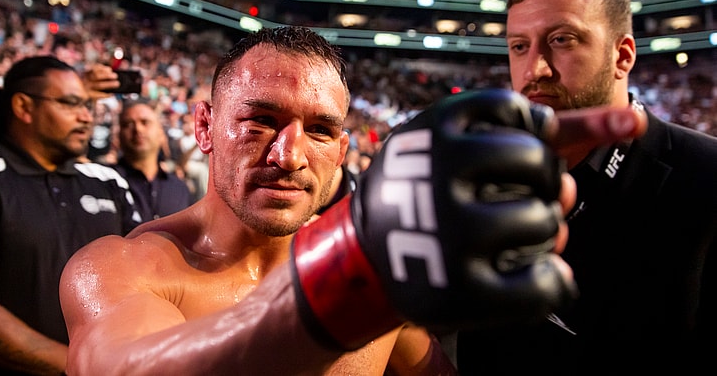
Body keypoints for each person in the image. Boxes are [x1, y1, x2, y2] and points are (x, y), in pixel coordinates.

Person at [59, 26, 647, 375]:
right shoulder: (122, 267)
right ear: (205, 126)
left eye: (318, 131)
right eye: (260, 120)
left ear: (342, 150)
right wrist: (346, 285)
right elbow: (119, 365)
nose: (288, 155)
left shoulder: (390, 263)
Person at [453, 0, 717, 376]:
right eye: (519, 46)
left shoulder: (705, 178)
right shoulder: (481, 182)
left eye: (561, 39)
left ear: (622, 56)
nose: (535, 69)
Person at [0, 55, 143, 375]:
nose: (86, 117)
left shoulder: (108, 182)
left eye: (88, 105)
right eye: (71, 103)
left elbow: (145, 282)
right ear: (23, 107)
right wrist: (80, 368)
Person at [114, 98, 196, 221]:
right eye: (128, 124)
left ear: (161, 133)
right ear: (118, 136)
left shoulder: (180, 189)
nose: (138, 129)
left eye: (145, 122)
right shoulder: (106, 184)